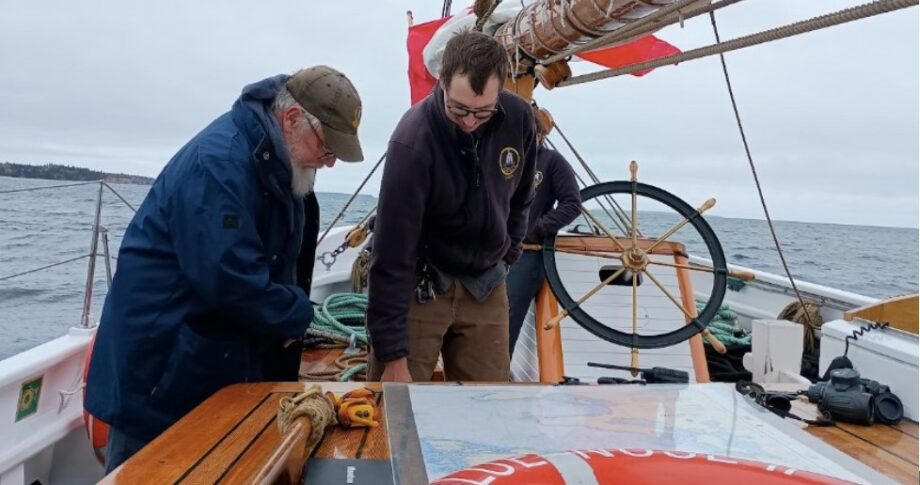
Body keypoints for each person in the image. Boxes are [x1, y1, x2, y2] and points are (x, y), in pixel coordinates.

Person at [84, 65, 364, 472]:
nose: (330, 162)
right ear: (290, 119)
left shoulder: (276, 161)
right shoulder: (218, 165)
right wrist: (294, 315)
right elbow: (229, 277)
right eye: (327, 147)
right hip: (160, 373)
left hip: (211, 360)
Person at [366, 31, 537, 383]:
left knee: (490, 407)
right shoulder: (413, 140)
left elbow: (521, 198)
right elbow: (391, 252)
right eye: (458, 109)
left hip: (487, 284)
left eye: (483, 112)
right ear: (442, 82)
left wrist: (509, 251)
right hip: (421, 282)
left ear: (501, 93)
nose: (470, 121)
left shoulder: (519, 119)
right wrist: (393, 357)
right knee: (395, 409)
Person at [506, 107, 581, 359]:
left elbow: (572, 204)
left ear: (539, 135)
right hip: (494, 251)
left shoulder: (553, 162)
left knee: (507, 318)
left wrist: (537, 228)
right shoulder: (506, 160)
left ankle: (494, 378)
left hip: (527, 254)